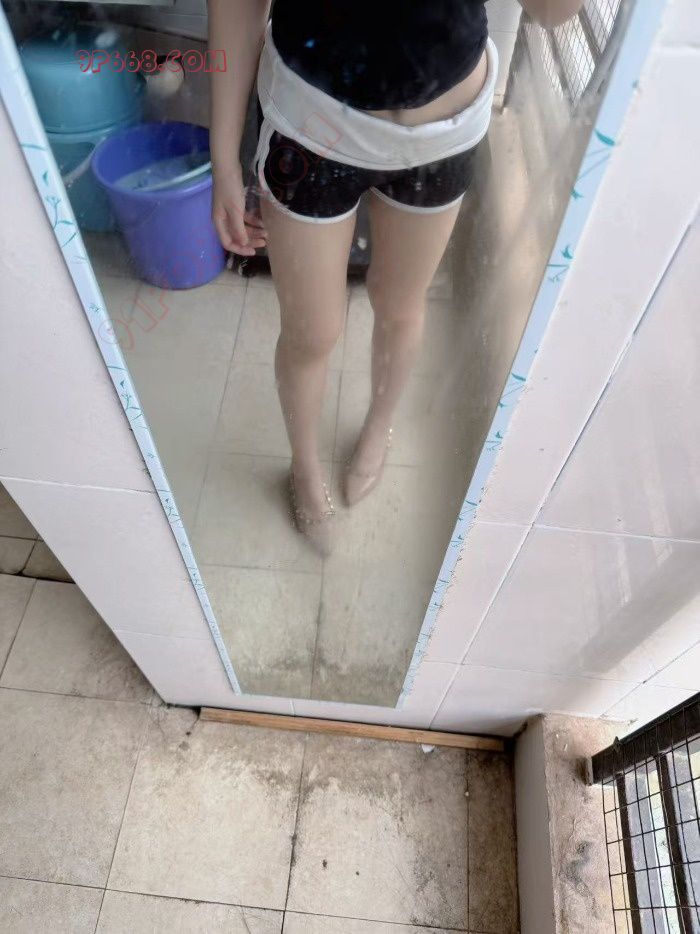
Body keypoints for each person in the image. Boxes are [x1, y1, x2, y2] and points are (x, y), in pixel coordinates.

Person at [209, 0, 583, 555]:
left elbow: (552, 15)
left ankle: (377, 429)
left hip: (443, 130)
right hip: (312, 123)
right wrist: (222, 157)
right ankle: (304, 470)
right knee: (311, 331)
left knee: (401, 304)